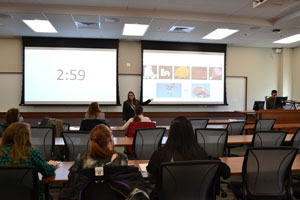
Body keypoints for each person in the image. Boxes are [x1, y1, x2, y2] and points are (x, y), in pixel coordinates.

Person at [0, 122, 57, 200]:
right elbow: (47, 171)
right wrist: (52, 165)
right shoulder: (31, 152)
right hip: (29, 196)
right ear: (26, 137)